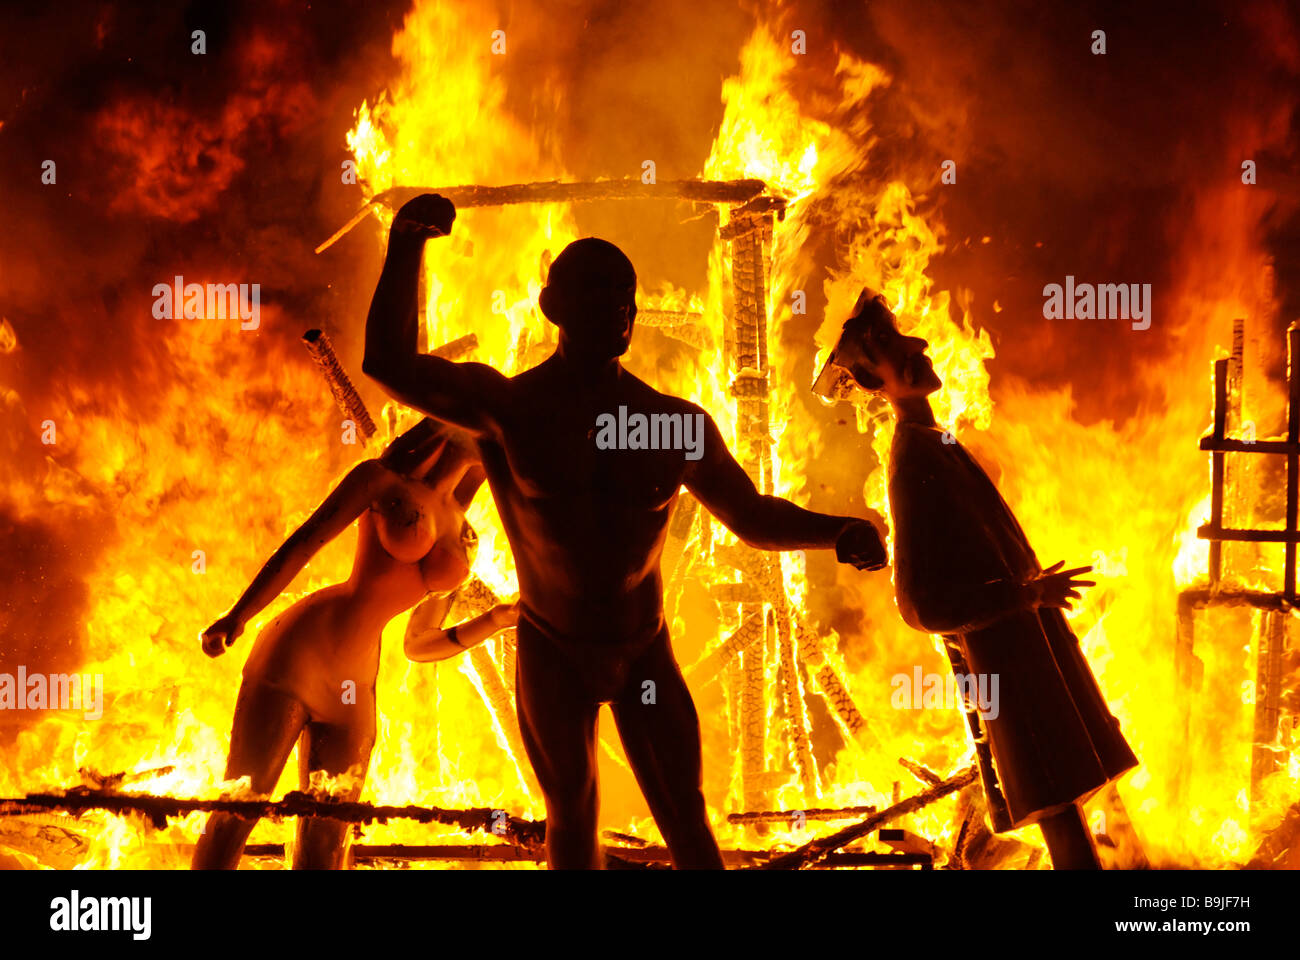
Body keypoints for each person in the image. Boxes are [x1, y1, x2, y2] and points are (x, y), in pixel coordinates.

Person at [361, 194, 888, 869]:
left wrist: (838, 532)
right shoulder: (514, 408)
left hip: (643, 650)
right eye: (596, 295)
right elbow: (390, 364)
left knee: (687, 823)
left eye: (624, 297)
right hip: (553, 649)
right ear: (554, 309)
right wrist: (406, 243)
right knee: (573, 821)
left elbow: (751, 516)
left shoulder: (670, 423)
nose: (617, 310)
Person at [816, 289, 1137, 869]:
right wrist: (1027, 595)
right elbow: (920, 605)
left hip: (1028, 652)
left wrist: (1033, 599)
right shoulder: (910, 456)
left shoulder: (935, 444)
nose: (916, 345)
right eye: (889, 347)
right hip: (1005, 668)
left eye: (902, 335)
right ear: (873, 382)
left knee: (1088, 803)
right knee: (1062, 814)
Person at [193, 419, 517, 869]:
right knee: (240, 805)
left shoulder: (462, 536)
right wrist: (239, 615)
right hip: (299, 655)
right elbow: (305, 543)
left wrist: (496, 620)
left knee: (326, 843)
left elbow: (419, 643)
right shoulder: (380, 480)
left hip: (355, 685)